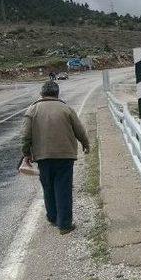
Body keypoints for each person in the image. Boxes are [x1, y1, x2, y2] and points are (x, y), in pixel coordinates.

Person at [21, 80, 90, 234]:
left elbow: (25, 135)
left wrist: (26, 153)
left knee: (48, 187)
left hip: (42, 157)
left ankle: (52, 217)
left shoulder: (32, 110)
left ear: (42, 93)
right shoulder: (66, 108)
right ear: (57, 93)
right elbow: (79, 130)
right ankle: (64, 224)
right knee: (63, 188)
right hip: (65, 155)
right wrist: (85, 144)